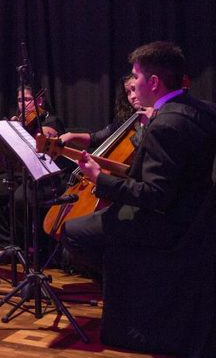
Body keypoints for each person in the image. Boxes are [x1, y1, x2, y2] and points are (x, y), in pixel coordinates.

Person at [61, 41, 216, 276]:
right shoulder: (204, 109)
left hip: (168, 223)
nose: (132, 85)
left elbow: (154, 195)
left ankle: (132, 286)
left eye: (136, 77)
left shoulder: (164, 124)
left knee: (72, 232)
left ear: (153, 82)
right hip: (197, 218)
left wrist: (99, 177)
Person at [0, 85, 66, 255]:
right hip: (19, 174)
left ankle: (27, 247)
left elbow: (40, 145)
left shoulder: (51, 121)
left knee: (19, 198)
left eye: (26, 100)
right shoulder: (20, 121)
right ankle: (7, 245)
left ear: (39, 100)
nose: (22, 104)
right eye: (19, 100)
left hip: (43, 178)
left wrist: (19, 131)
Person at [60, 73, 154, 150]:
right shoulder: (127, 119)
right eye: (128, 92)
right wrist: (71, 136)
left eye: (134, 89)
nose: (132, 96)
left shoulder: (161, 116)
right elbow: (95, 139)